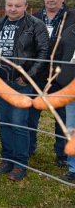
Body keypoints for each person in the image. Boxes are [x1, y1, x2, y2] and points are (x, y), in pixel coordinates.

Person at [0, 0, 49, 181]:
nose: (13, 9)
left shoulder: (36, 25)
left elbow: (43, 54)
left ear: (25, 6)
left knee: (18, 124)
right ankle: (7, 159)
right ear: (5, 5)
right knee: (3, 123)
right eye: (9, 5)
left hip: (20, 84)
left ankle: (20, 164)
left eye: (17, 6)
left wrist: (28, 77)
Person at [29, 0, 75, 167]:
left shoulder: (72, 17)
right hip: (38, 73)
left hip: (61, 75)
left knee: (62, 116)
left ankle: (62, 153)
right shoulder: (35, 16)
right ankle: (30, 147)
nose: (51, 0)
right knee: (31, 113)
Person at [56, 24, 75, 181]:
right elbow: (59, 55)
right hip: (71, 90)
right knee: (71, 128)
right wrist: (60, 76)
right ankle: (73, 167)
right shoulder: (70, 31)